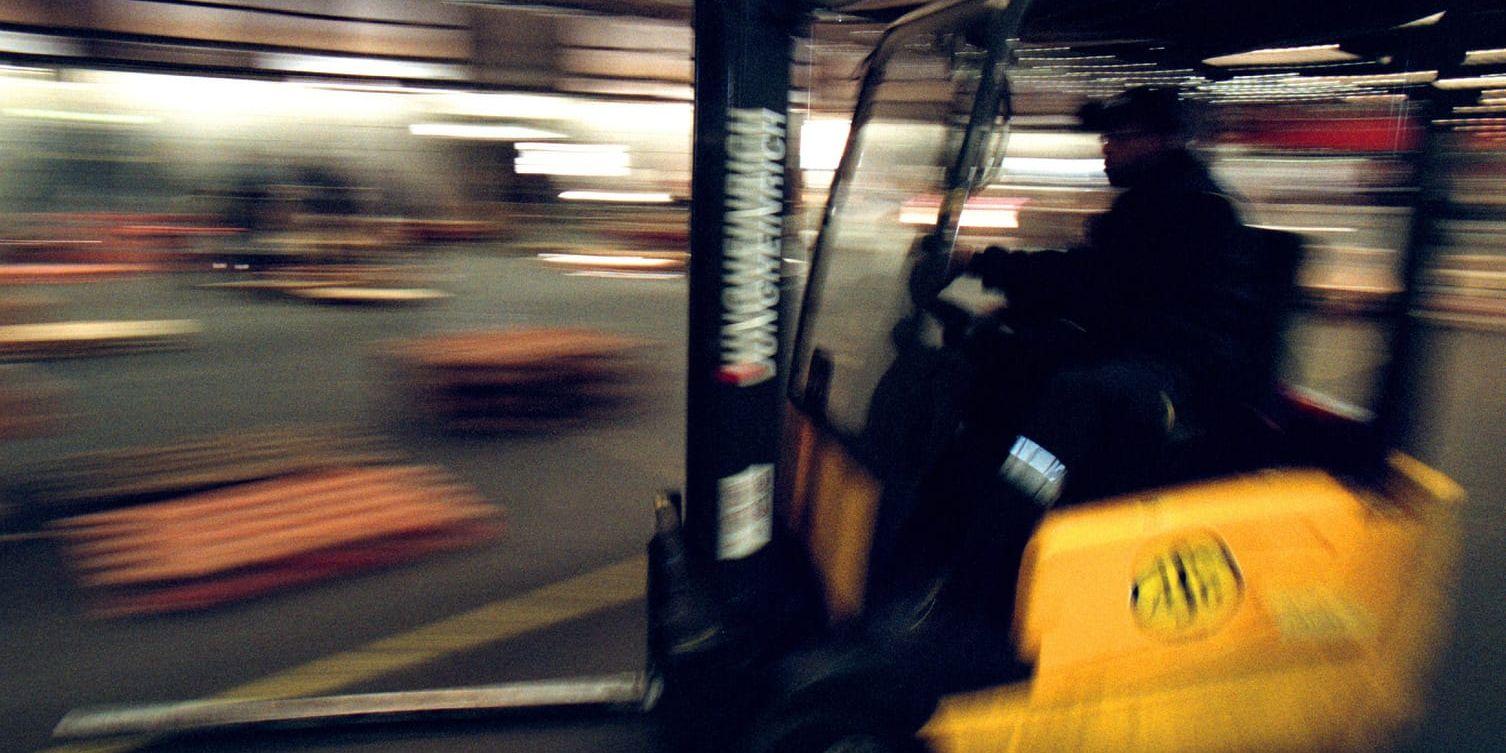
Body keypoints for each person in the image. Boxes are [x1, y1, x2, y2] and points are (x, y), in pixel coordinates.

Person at [915, 86, 1267, 512]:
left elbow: (1091, 283)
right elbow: (1101, 283)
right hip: (1141, 343)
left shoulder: (1190, 209)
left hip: (1178, 369)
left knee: (1072, 395)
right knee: (1006, 358)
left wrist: (982, 264)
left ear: (1162, 140)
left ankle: (1013, 516)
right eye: (1107, 138)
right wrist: (1019, 308)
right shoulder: (1154, 201)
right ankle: (967, 496)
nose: (1107, 150)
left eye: (1119, 138)